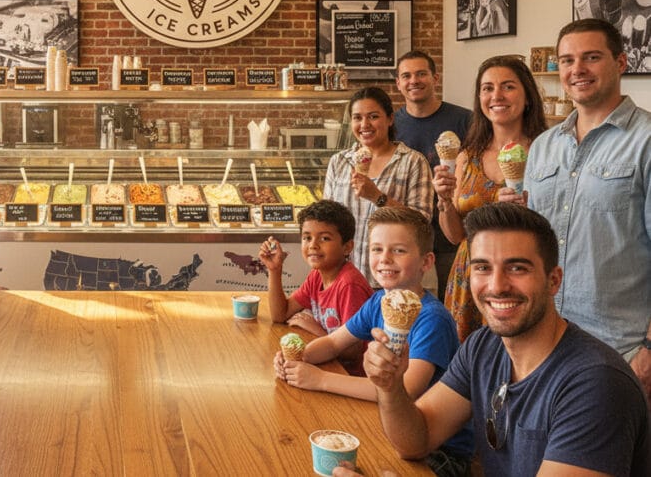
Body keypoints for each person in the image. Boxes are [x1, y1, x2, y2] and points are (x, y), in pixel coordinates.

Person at [359, 203, 648, 476]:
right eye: (483, 267)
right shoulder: (482, 347)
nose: (497, 286)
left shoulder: (596, 383)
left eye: (517, 268)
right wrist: (391, 386)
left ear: (553, 281)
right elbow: (416, 440)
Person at [277, 206, 471, 475]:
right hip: (389, 422)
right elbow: (333, 343)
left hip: (437, 450)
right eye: (377, 249)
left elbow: (407, 389)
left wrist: (320, 380)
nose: (385, 259)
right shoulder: (378, 301)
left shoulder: (432, 319)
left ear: (426, 262)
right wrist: (298, 357)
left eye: (398, 250)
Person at [518, 18, 651, 397]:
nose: (577, 69)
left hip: (620, 346)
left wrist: (649, 348)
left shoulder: (645, 140)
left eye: (591, 57)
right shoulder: (543, 146)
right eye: (567, 60)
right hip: (545, 340)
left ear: (621, 62)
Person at [434, 55, 547, 342]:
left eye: (508, 86)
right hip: (469, 274)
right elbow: (455, 236)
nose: (496, 96)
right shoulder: (467, 157)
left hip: (519, 275)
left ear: (527, 97)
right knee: (469, 359)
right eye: (487, 88)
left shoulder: (546, 152)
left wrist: (528, 209)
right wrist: (444, 200)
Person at [323, 86, 433, 286]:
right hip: (345, 282)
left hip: (393, 280)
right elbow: (327, 223)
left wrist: (378, 197)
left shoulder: (413, 162)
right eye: (357, 118)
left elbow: (422, 224)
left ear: (390, 119)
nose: (364, 124)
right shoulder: (339, 162)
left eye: (373, 117)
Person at [392, 50, 472, 296]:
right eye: (406, 76)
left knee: (453, 301)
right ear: (398, 83)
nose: (414, 81)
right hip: (408, 235)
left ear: (435, 78)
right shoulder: (391, 125)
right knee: (409, 304)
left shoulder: (465, 120)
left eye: (421, 74)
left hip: (452, 233)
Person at [260, 200, 371, 371]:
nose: (313, 245)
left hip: (349, 375)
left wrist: (317, 330)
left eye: (325, 238)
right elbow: (280, 314)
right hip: (327, 362)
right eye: (307, 238)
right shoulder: (317, 276)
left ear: (347, 247)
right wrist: (274, 270)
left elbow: (352, 351)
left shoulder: (350, 285)